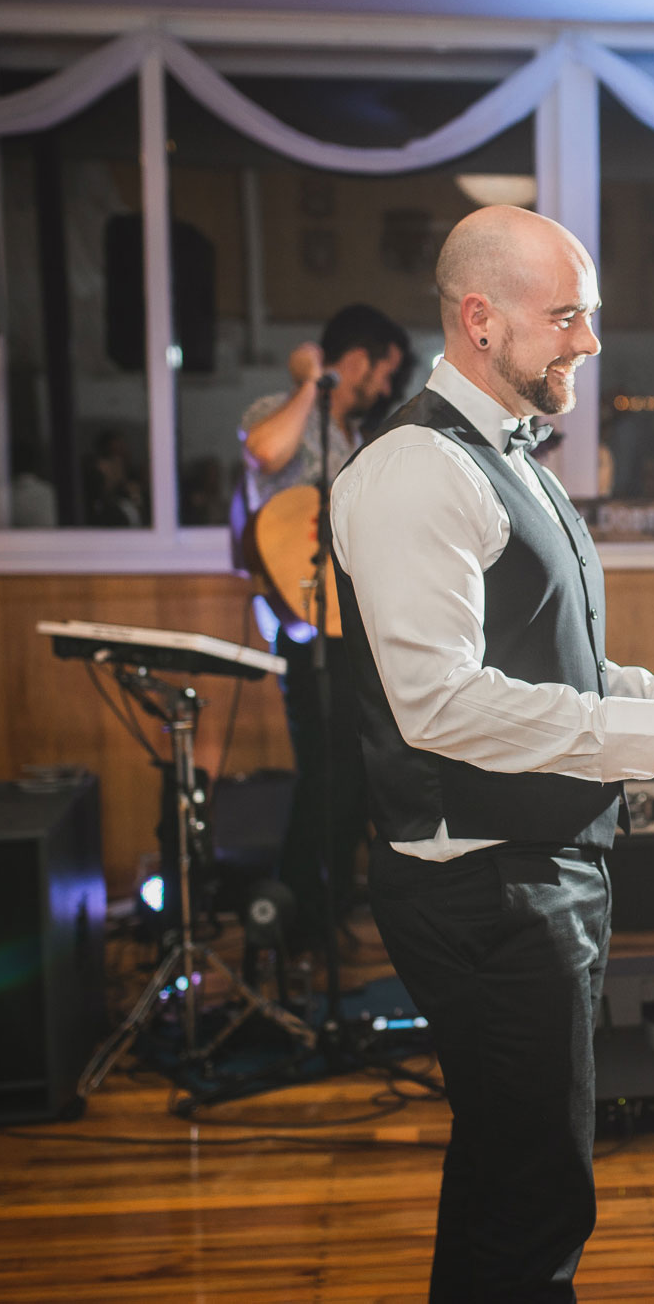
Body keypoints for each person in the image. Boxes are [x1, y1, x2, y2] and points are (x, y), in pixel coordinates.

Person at [328, 205, 654, 1303]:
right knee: (531, 1196)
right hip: (480, 881)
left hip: (535, 868)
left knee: (512, 1180)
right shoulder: (415, 469)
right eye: (565, 316)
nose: (588, 343)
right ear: (479, 321)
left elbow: (563, 675)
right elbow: (437, 705)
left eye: (590, 315)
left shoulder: (507, 458)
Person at [239, 304, 410, 949]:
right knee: (325, 775)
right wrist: (312, 381)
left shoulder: (358, 445)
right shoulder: (275, 411)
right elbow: (265, 452)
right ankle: (300, 916)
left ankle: (328, 905)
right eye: (383, 373)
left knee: (352, 776)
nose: (386, 388)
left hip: (350, 626)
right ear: (358, 361)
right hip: (305, 624)